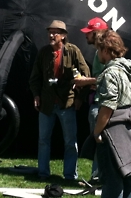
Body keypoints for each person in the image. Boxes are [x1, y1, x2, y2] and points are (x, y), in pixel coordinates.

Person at [29, 20, 91, 180]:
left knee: (70, 142)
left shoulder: (73, 51)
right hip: (47, 104)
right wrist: (36, 95)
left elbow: (86, 75)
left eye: (55, 32)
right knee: (43, 140)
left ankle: (70, 175)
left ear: (63, 36)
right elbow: (34, 77)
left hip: (67, 103)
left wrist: (80, 98)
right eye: (50, 32)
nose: (51, 35)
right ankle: (43, 173)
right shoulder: (43, 52)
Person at [93, 30, 131, 198]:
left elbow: (108, 107)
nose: (98, 53)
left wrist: (96, 132)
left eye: (99, 49)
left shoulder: (110, 73)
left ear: (106, 50)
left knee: (112, 180)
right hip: (129, 127)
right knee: (129, 175)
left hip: (113, 131)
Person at [74, 17, 109, 183]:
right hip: (97, 101)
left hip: (102, 104)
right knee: (98, 141)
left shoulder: (104, 53)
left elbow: (106, 78)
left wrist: (84, 81)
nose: (86, 36)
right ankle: (99, 176)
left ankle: (98, 177)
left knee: (99, 140)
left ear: (96, 33)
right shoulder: (98, 53)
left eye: (89, 33)